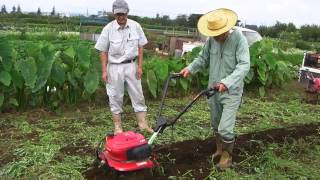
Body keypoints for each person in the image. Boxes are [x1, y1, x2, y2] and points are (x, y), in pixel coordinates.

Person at [179, 8, 250, 168]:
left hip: (232, 90)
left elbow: (244, 65)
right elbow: (203, 57)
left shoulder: (239, 39)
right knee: (216, 123)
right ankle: (219, 149)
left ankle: (227, 157)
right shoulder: (212, 41)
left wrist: (227, 82)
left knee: (225, 127)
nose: (217, 37)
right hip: (213, 89)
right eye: (214, 34)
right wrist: (190, 68)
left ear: (226, 29)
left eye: (219, 33)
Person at [94, 0, 153, 135]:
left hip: (131, 65)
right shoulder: (108, 29)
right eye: (117, 14)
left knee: (138, 95)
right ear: (114, 14)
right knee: (115, 96)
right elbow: (102, 51)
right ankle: (118, 127)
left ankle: (143, 124)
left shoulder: (136, 26)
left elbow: (140, 46)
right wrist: (104, 71)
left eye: (123, 14)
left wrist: (139, 66)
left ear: (127, 13)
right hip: (114, 68)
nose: (120, 17)